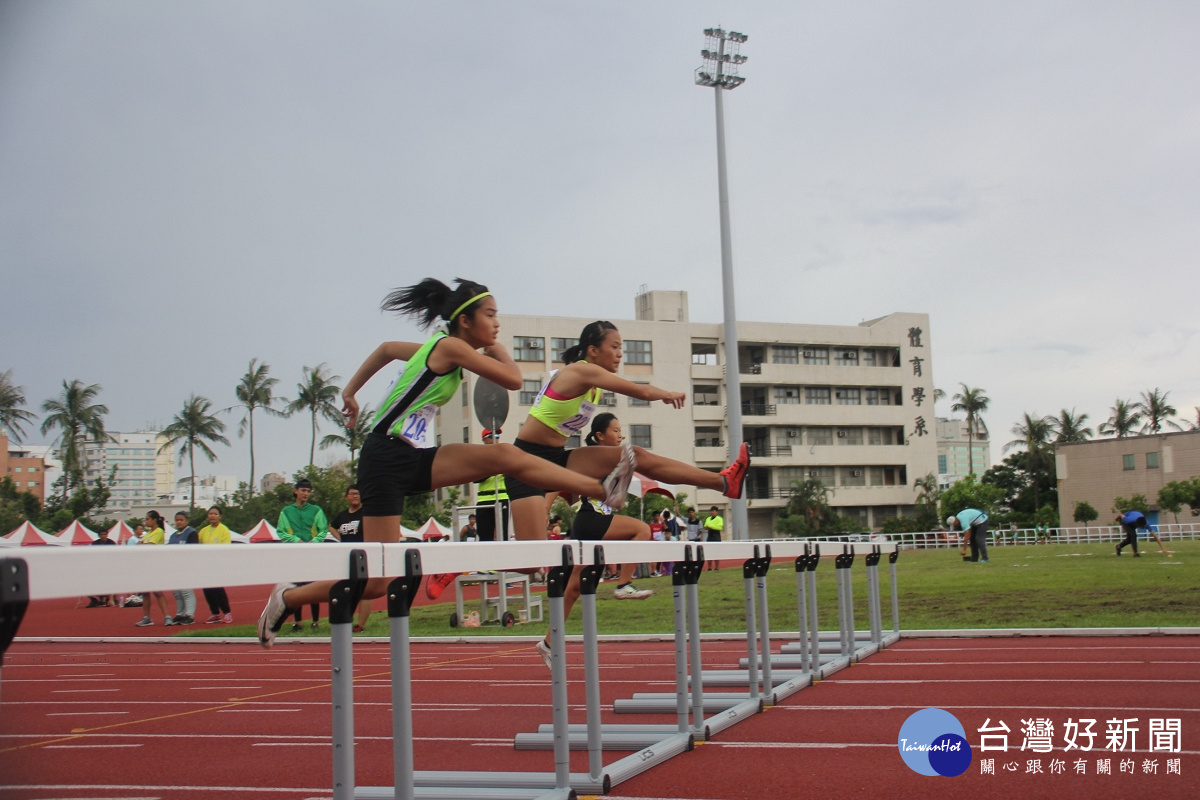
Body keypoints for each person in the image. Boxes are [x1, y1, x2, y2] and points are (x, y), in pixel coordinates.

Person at [257, 278, 637, 648]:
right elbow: (513, 379)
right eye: (491, 315)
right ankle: (289, 598)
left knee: (505, 456)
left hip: (412, 456)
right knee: (376, 582)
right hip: (384, 458)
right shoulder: (452, 348)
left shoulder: (439, 349)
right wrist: (497, 349)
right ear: (465, 321)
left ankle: (600, 487)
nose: (497, 323)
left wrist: (351, 391)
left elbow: (388, 348)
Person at [502, 319, 750, 663]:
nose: (620, 354)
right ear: (592, 350)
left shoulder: (592, 385)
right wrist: (667, 394)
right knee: (530, 563)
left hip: (557, 458)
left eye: (622, 347)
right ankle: (460, 565)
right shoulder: (582, 372)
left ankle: (724, 481)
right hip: (525, 460)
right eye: (615, 347)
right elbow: (640, 391)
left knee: (638, 456)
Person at [277, 478, 327, 631]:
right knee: (297, 587)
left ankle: (315, 622)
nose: (306, 494)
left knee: (313, 587)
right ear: (296, 491)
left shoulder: (316, 510)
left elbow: (323, 530)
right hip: (295, 555)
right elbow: (281, 532)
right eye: (303, 490)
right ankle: (297, 622)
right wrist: (296, 540)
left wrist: (314, 542)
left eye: (308, 491)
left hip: (312, 554)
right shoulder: (286, 512)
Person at [329, 485, 371, 631]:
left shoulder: (366, 512)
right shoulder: (342, 516)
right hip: (346, 556)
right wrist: (339, 537)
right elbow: (331, 526)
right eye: (352, 494)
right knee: (347, 588)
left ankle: (361, 624)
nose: (355, 496)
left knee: (364, 590)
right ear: (346, 497)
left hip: (364, 554)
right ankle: (346, 619)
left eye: (357, 494)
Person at [134, 511, 175, 626]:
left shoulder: (159, 532)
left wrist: (141, 545)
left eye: (147, 519)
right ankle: (147, 617)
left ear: (154, 520)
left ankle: (167, 616)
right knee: (145, 593)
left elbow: (149, 546)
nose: (146, 521)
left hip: (155, 565)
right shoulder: (147, 534)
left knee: (157, 592)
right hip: (145, 566)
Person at [196, 505, 234, 623]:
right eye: (210, 514)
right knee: (207, 589)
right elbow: (198, 546)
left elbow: (225, 548)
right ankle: (215, 613)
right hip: (205, 564)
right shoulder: (203, 531)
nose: (212, 516)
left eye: (215, 514)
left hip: (217, 564)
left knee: (217, 588)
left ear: (220, 516)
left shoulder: (224, 530)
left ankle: (227, 612)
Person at [475, 428, 510, 542]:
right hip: (484, 500)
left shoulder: (505, 455)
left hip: (502, 498)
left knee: (503, 536)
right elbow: (475, 478)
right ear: (484, 439)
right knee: (485, 537)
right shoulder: (478, 456)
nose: (495, 439)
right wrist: (493, 470)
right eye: (491, 436)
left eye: (497, 436)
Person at [168, 512, 200, 625]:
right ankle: (180, 614)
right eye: (177, 520)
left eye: (181, 520)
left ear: (186, 521)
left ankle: (190, 615)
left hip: (186, 567)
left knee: (186, 591)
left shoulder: (191, 533)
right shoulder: (173, 535)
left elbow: (193, 550)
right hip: (175, 567)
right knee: (177, 592)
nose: (179, 522)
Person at [87, 528, 117, 607]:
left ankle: (110, 598)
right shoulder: (94, 543)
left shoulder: (111, 543)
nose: (103, 536)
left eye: (105, 534)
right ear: (99, 535)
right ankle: (95, 599)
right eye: (101, 534)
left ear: (107, 535)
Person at [703, 506, 724, 571]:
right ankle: (709, 567)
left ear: (716, 512)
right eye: (711, 511)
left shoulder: (719, 519)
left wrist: (711, 526)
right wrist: (711, 526)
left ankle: (716, 567)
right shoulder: (708, 518)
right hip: (710, 536)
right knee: (709, 552)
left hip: (716, 536)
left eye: (713, 511)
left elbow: (719, 527)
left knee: (716, 551)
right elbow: (705, 526)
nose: (712, 512)